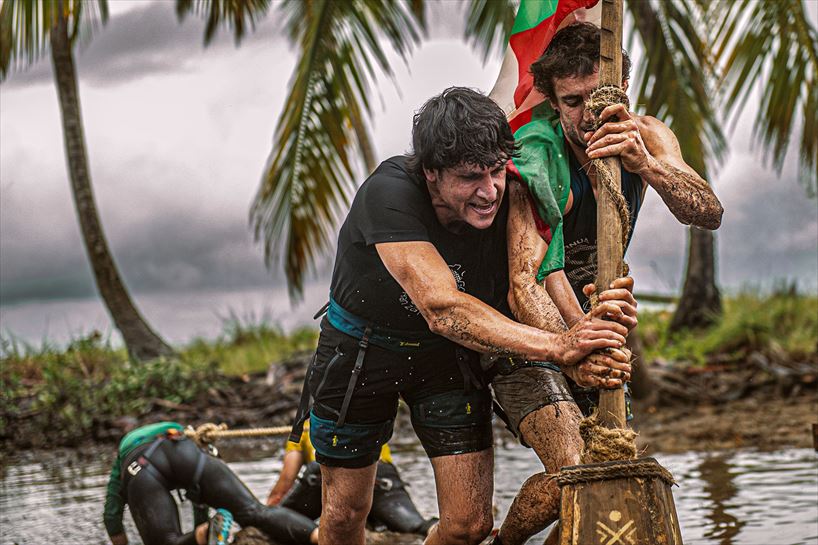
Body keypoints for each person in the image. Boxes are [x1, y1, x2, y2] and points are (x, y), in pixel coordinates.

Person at [289, 86, 635, 545]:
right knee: (345, 515)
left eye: (495, 171)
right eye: (472, 177)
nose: (489, 191)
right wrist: (562, 347)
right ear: (431, 172)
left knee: (469, 526)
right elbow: (442, 307)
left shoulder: (510, 190)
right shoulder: (389, 192)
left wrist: (593, 318)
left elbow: (538, 275)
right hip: (362, 352)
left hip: (446, 360)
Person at [489, 22, 724, 545]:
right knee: (573, 470)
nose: (588, 114)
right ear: (551, 100)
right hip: (526, 334)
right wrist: (576, 344)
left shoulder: (648, 134)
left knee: (606, 476)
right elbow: (526, 283)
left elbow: (707, 211)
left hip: (598, 323)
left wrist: (646, 165)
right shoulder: (538, 153)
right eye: (572, 102)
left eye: (598, 95)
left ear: (621, 87)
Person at [103, 421, 319, 545]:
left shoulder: (120, 463)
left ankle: (205, 532)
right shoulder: (182, 432)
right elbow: (199, 497)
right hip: (183, 446)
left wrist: (203, 534)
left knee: (166, 542)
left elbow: (111, 516)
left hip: (142, 464)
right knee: (255, 511)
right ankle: (318, 536)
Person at [266, 422, 436, 536]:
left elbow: (286, 481)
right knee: (416, 526)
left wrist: (268, 512)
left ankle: (314, 534)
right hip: (379, 475)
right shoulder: (369, 420)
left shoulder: (307, 426)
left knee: (277, 519)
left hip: (326, 475)